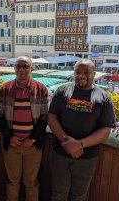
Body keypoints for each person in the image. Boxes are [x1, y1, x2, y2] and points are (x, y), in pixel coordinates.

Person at [48, 59, 115, 201]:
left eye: (86, 72)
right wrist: (68, 143)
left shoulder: (104, 98)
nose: (81, 76)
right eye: (78, 72)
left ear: (94, 74)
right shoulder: (62, 91)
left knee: (79, 196)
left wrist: (79, 145)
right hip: (60, 153)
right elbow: (52, 117)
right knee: (58, 193)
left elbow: (105, 129)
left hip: (87, 157)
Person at [0, 56, 48, 201]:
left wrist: (32, 139)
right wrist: (9, 137)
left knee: (31, 182)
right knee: (12, 181)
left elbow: (45, 117)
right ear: (14, 69)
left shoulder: (41, 89)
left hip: (32, 146)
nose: (21, 69)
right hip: (12, 145)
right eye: (18, 66)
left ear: (31, 69)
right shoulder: (6, 89)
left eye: (25, 66)